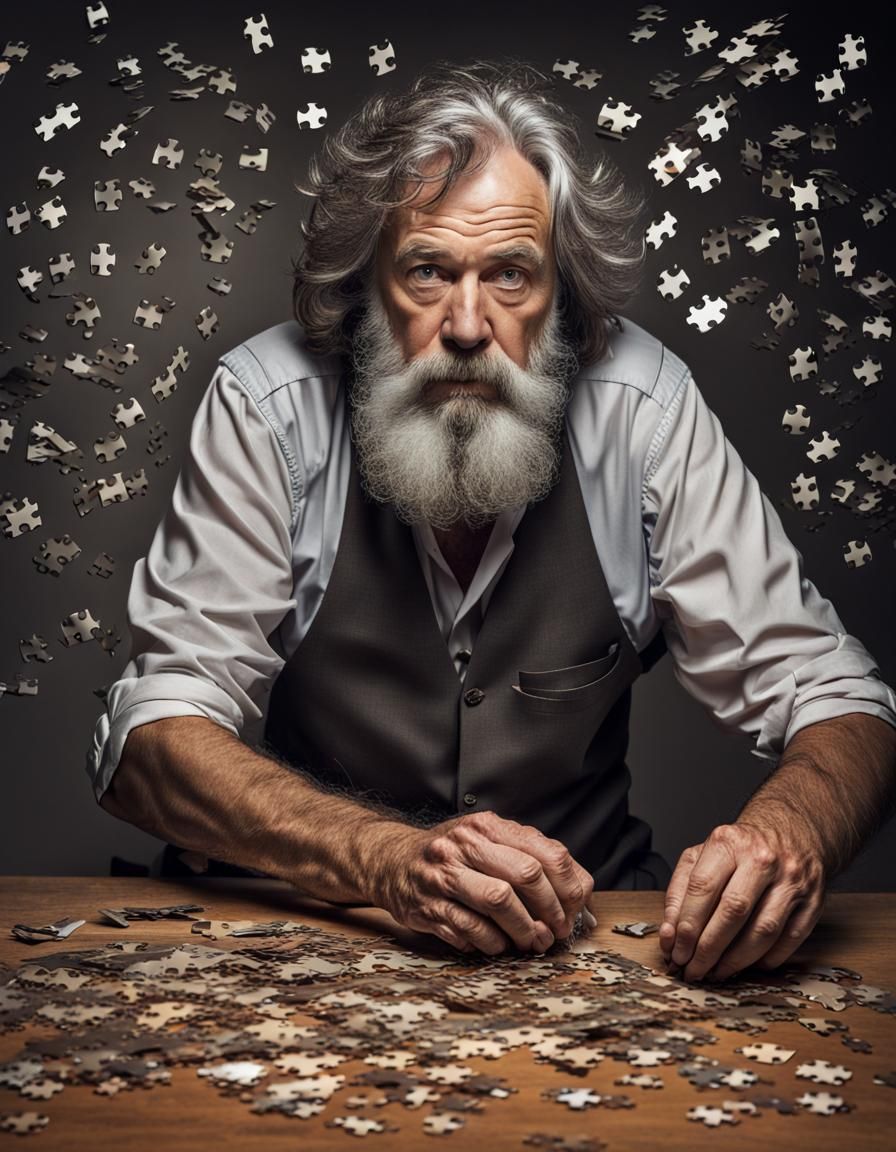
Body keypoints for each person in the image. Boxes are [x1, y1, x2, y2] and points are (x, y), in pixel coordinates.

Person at [88, 60, 896, 981]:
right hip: (312, 937)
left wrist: (787, 835)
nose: (469, 326)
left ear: (564, 295)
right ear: (364, 288)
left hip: (590, 948)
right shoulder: (270, 406)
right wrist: (387, 860)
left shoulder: (645, 412)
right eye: (428, 272)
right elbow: (152, 740)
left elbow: (844, 701)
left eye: (511, 274)